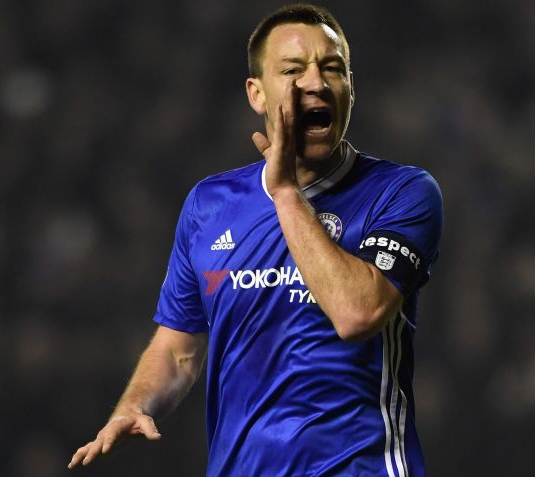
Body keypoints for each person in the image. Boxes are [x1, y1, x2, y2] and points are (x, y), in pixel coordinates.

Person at [68, 4, 442, 476]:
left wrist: (285, 193)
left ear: (350, 87)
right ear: (257, 94)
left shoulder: (401, 191)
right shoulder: (209, 205)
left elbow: (357, 313)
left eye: (332, 68)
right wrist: (134, 404)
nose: (316, 82)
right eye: (293, 70)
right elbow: (179, 348)